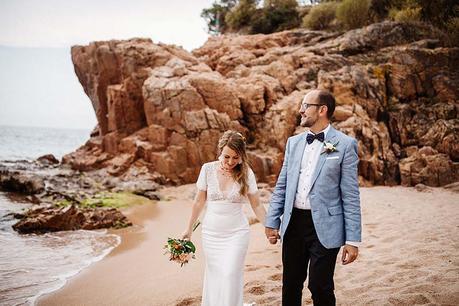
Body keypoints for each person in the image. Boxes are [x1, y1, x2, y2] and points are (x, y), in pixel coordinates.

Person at [265, 89, 362, 306]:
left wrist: (353, 240)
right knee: (291, 284)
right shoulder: (294, 143)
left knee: (319, 285)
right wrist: (272, 221)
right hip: (294, 224)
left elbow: (351, 195)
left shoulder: (345, 145)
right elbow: (282, 185)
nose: (301, 109)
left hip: (327, 226)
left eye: (306, 105)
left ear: (322, 110)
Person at [183, 130, 266, 306]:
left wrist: (269, 227)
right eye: (226, 156)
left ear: (242, 156)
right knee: (216, 274)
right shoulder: (207, 169)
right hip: (211, 234)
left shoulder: (246, 173)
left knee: (230, 273)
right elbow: (198, 202)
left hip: (237, 233)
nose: (230, 162)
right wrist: (188, 230)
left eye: (235, 158)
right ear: (220, 151)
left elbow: (257, 205)